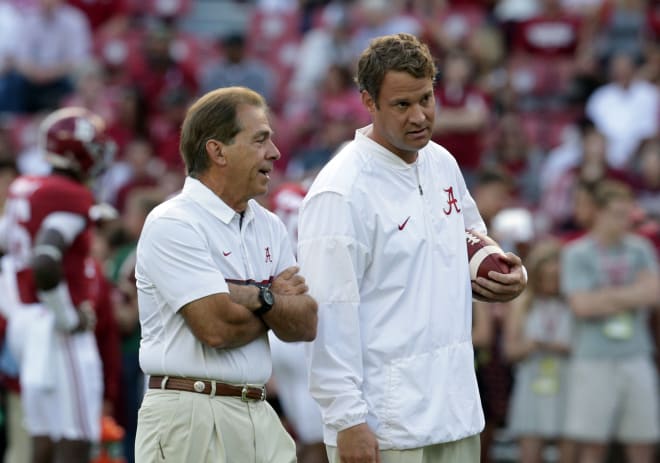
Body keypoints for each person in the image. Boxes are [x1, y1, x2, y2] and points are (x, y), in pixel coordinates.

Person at [297, 33, 527, 463]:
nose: (420, 116)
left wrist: (507, 273)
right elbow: (328, 314)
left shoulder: (442, 162)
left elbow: (471, 236)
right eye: (402, 105)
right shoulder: (340, 190)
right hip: (387, 424)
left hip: (456, 407)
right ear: (368, 101)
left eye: (426, 98)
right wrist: (347, 421)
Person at [134, 86, 318, 463]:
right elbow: (217, 328)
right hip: (190, 411)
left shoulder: (269, 225)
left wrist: (255, 296)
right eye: (260, 140)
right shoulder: (173, 222)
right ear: (217, 151)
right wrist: (274, 298)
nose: (275, 152)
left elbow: (305, 324)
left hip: (258, 412)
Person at [0, 106, 115, 463]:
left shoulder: (25, 186)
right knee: (77, 434)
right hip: (55, 325)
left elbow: (8, 250)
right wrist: (67, 316)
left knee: (44, 434)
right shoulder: (68, 194)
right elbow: (46, 259)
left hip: (25, 322)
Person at [560, 179, 660, 463]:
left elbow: (654, 293)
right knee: (592, 443)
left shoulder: (640, 248)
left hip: (636, 355)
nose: (624, 221)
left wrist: (603, 298)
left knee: (642, 441)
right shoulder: (576, 252)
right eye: (617, 214)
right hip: (593, 358)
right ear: (599, 213)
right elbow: (581, 306)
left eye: (627, 214)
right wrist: (633, 294)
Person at [504, 238, 575, 463]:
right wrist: (533, 345)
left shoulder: (573, 302)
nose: (552, 283)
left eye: (557, 278)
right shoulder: (522, 303)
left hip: (568, 383)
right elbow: (510, 350)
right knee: (530, 452)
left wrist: (563, 348)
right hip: (532, 382)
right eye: (547, 277)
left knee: (569, 448)